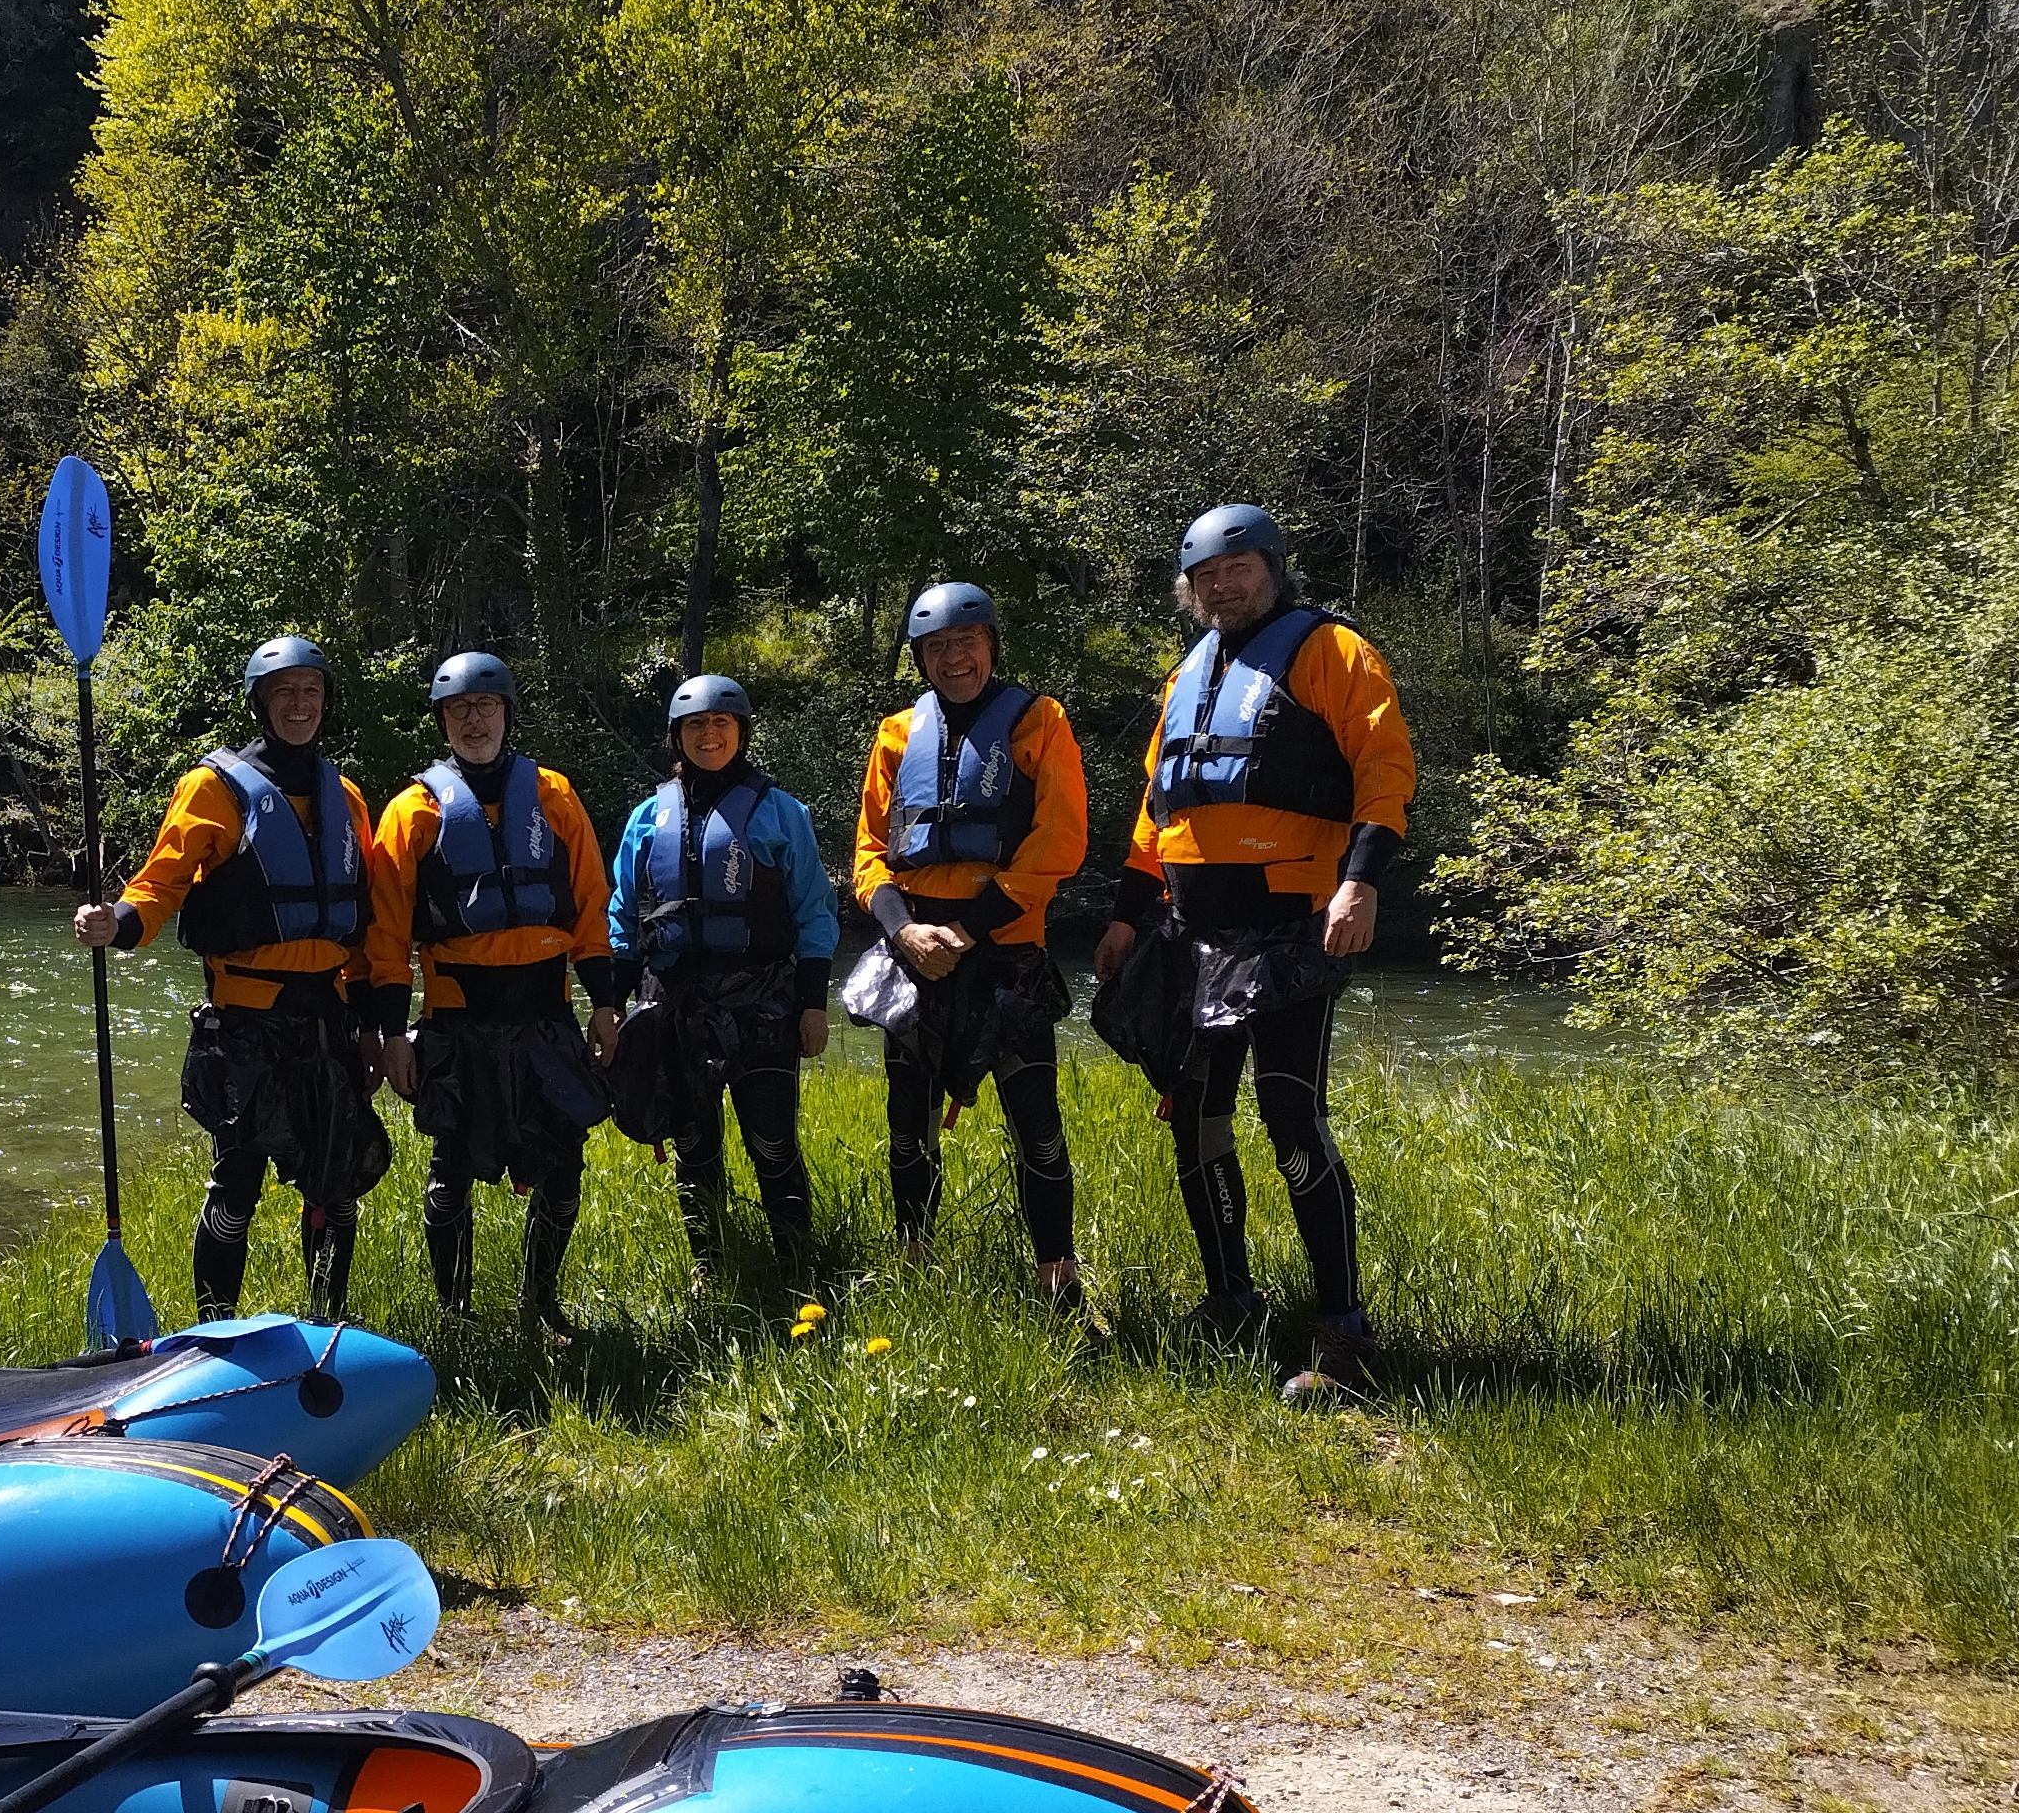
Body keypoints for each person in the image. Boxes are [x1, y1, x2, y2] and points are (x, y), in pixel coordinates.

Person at [1091, 503, 1415, 1406]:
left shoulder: (1329, 651)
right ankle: (1230, 1296)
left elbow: (1385, 767)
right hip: (1193, 933)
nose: (1223, 585)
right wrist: (1127, 913)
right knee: (1195, 1122)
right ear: (1189, 591)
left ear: (1273, 568)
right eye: (1206, 576)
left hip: (1290, 927)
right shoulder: (1189, 673)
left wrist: (1360, 880)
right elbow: (1159, 805)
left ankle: (1344, 1333)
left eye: (1239, 568)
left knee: (1291, 1118)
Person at [72, 635, 388, 1322]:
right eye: (285, 694)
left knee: (335, 1188)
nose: (300, 706)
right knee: (236, 1186)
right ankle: (216, 1331)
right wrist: (119, 922)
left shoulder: (350, 799)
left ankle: (326, 1322)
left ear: (326, 703)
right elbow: (161, 882)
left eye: (311, 692)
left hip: (328, 1021)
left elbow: (361, 928)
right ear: (261, 704)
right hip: (245, 1024)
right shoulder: (213, 789)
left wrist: (369, 1028)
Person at [849, 582, 1090, 1303]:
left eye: (967, 642)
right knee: (906, 1127)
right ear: (921, 659)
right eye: (937, 648)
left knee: (1037, 1127)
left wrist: (967, 927)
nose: (955, 658)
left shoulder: (1041, 722)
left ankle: (1059, 1280)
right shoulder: (896, 734)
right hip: (916, 954)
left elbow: (1058, 842)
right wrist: (905, 929)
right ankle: (916, 1270)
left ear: (991, 646)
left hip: (1006, 951)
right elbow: (867, 853)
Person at [366, 651, 616, 1340]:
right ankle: (456, 1315)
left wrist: (604, 1002)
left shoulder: (557, 797)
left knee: (564, 1161)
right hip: (456, 1020)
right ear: (443, 721)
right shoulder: (411, 811)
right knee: (452, 1171)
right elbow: (386, 936)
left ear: (508, 712)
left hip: (545, 1015)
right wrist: (391, 1033)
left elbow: (592, 908)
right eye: (459, 710)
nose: (474, 721)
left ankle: (541, 1304)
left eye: (486, 707)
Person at [604, 673, 836, 1293]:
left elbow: (815, 912)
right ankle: (710, 1263)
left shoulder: (782, 813)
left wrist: (813, 1005)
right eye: (696, 725)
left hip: (763, 999)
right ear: (677, 737)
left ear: (741, 732)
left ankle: (796, 1266)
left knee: (772, 1139)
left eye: (722, 724)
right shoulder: (648, 819)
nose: (710, 735)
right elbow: (624, 919)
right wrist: (612, 1007)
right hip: (677, 1003)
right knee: (694, 1143)